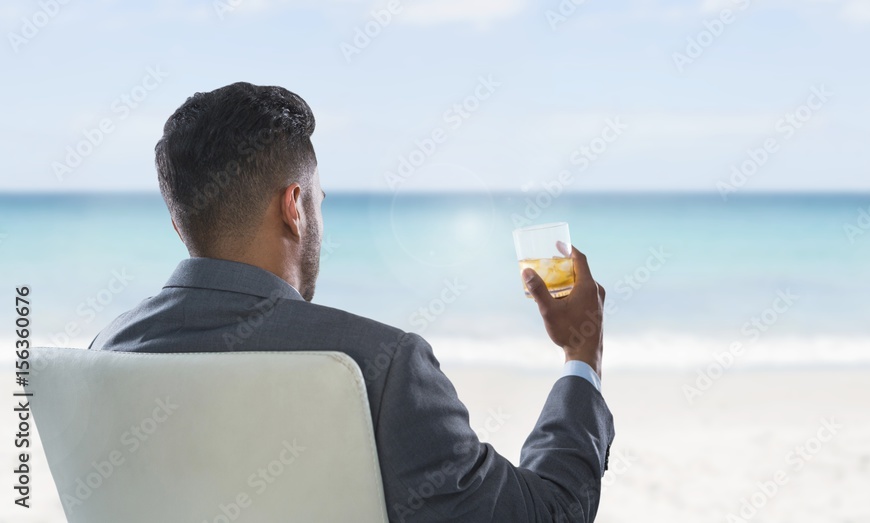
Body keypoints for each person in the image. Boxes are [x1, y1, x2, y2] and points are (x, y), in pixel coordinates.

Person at [90, 82, 614, 522]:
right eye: (318, 200)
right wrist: (580, 353)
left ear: (179, 221)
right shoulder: (381, 366)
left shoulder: (104, 354)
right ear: (294, 206)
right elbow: (549, 514)